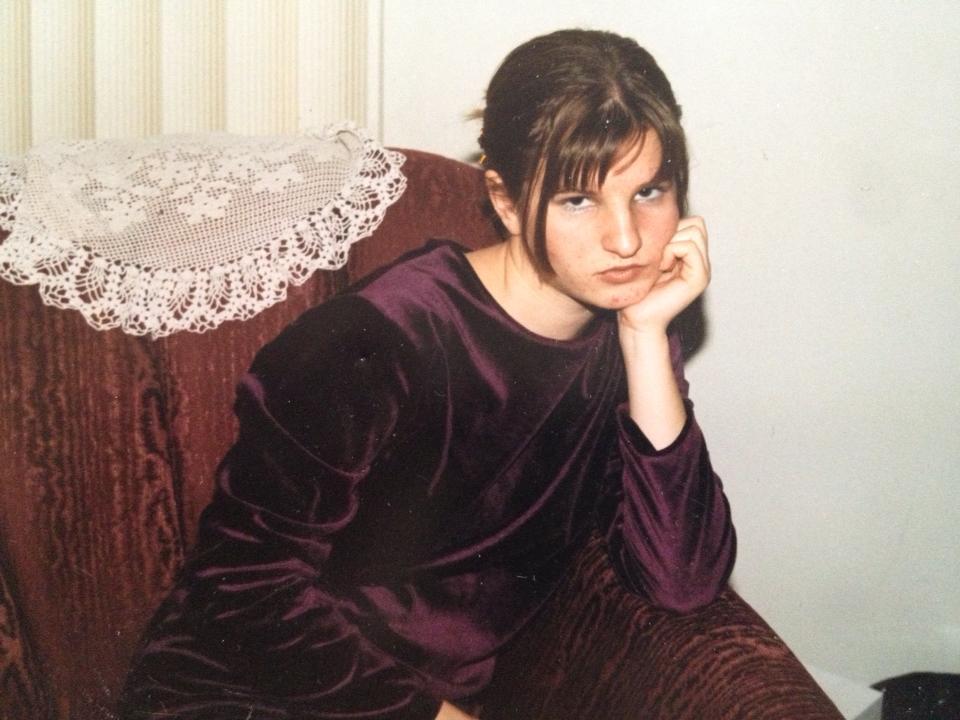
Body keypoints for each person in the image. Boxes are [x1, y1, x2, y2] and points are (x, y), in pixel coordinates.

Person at [120, 28, 735, 720]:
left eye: (649, 191)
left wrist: (646, 339)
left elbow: (682, 579)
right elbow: (242, 587)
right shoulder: (377, 339)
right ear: (506, 201)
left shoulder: (629, 337)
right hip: (241, 692)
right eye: (577, 200)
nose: (626, 239)